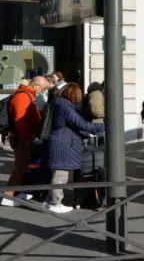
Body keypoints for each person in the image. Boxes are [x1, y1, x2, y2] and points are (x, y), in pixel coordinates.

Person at [43, 83, 105, 213]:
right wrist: (103, 126)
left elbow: (74, 125)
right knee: (61, 175)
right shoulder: (65, 107)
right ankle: (55, 203)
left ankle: (49, 201)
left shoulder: (59, 104)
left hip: (61, 142)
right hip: (63, 144)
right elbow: (81, 124)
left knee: (58, 174)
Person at [1, 76, 49, 207]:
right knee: (20, 167)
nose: (43, 91)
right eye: (43, 88)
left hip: (24, 138)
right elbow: (20, 121)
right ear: (35, 85)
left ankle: (16, 192)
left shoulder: (27, 95)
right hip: (22, 138)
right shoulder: (23, 96)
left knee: (23, 166)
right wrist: (26, 138)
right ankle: (8, 196)